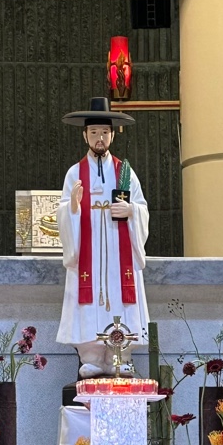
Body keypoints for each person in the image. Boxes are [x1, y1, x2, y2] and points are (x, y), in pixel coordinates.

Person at [56, 97, 150, 377]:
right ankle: (92, 357)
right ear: (85, 135)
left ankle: (120, 355)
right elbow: (63, 211)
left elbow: (141, 207)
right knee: (89, 300)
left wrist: (131, 211)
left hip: (118, 250)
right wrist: (73, 207)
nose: (100, 137)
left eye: (105, 132)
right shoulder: (75, 173)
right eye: (94, 132)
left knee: (121, 297)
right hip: (89, 250)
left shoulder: (125, 172)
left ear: (112, 135)